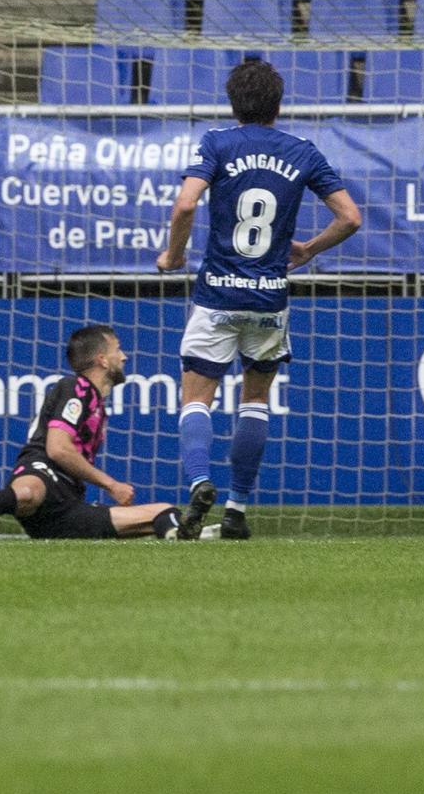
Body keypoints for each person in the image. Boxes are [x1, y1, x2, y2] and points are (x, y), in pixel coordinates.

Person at [155, 58, 362, 539]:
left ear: (233, 102)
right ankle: (237, 510)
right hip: (269, 298)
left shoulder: (217, 143)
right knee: (254, 401)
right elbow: (350, 217)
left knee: (196, 400)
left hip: (217, 294)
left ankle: (200, 480)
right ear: (278, 103)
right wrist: (309, 249)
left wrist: (174, 255)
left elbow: (186, 203)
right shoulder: (303, 151)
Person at [0, 325, 212, 542]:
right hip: (42, 473)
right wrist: (110, 484)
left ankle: (182, 538)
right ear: (102, 360)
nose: (124, 356)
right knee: (26, 493)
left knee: (163, 511)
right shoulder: (76, 388)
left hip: (65, 511)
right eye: (117, 350)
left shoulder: (96, 402)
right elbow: (57, 449)